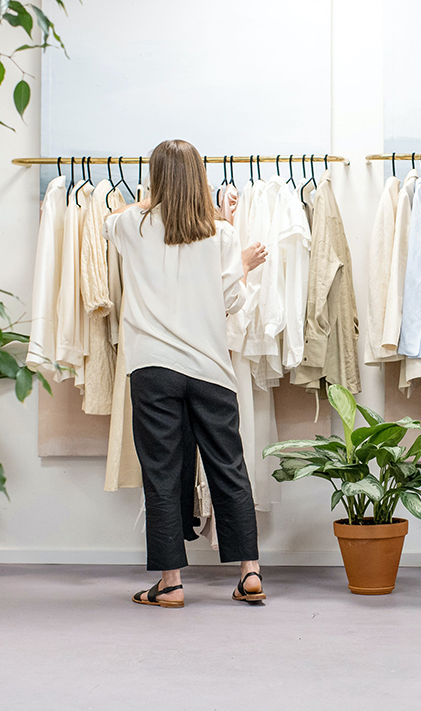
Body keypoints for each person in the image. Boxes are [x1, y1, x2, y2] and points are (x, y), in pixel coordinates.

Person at [105, 139, 268, 608]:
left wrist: (151, 197)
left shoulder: (131, 226)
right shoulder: (222, 235)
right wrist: (236, 263)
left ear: (154, 179)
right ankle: (250, 573)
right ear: (202, 178)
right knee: (228, 467)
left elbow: (107, 223)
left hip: (152, 367)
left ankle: (171, 583)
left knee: (162, 474)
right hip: (210, 368)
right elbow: (229, 302)